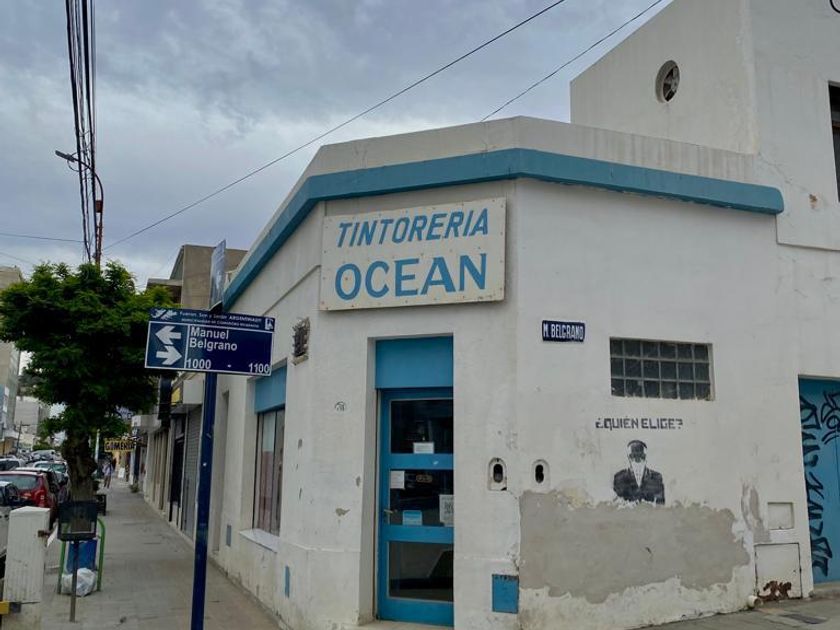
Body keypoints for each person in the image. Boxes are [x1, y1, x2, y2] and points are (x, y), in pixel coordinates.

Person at [613, 440, 665, 504]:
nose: (637, 460)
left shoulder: (656, 478)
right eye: (633, 456)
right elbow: (617, 504)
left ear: (645, 456)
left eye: (640, 455)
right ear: (628, 457)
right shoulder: (619, 478)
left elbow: (660, 504)